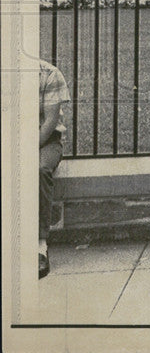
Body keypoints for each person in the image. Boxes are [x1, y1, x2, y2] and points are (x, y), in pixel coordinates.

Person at [39, 59, 70, 279]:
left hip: (44, 141)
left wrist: (21, 150)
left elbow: (49, 122)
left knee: (39, 170)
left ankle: (39, 246)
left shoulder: (49, 73)